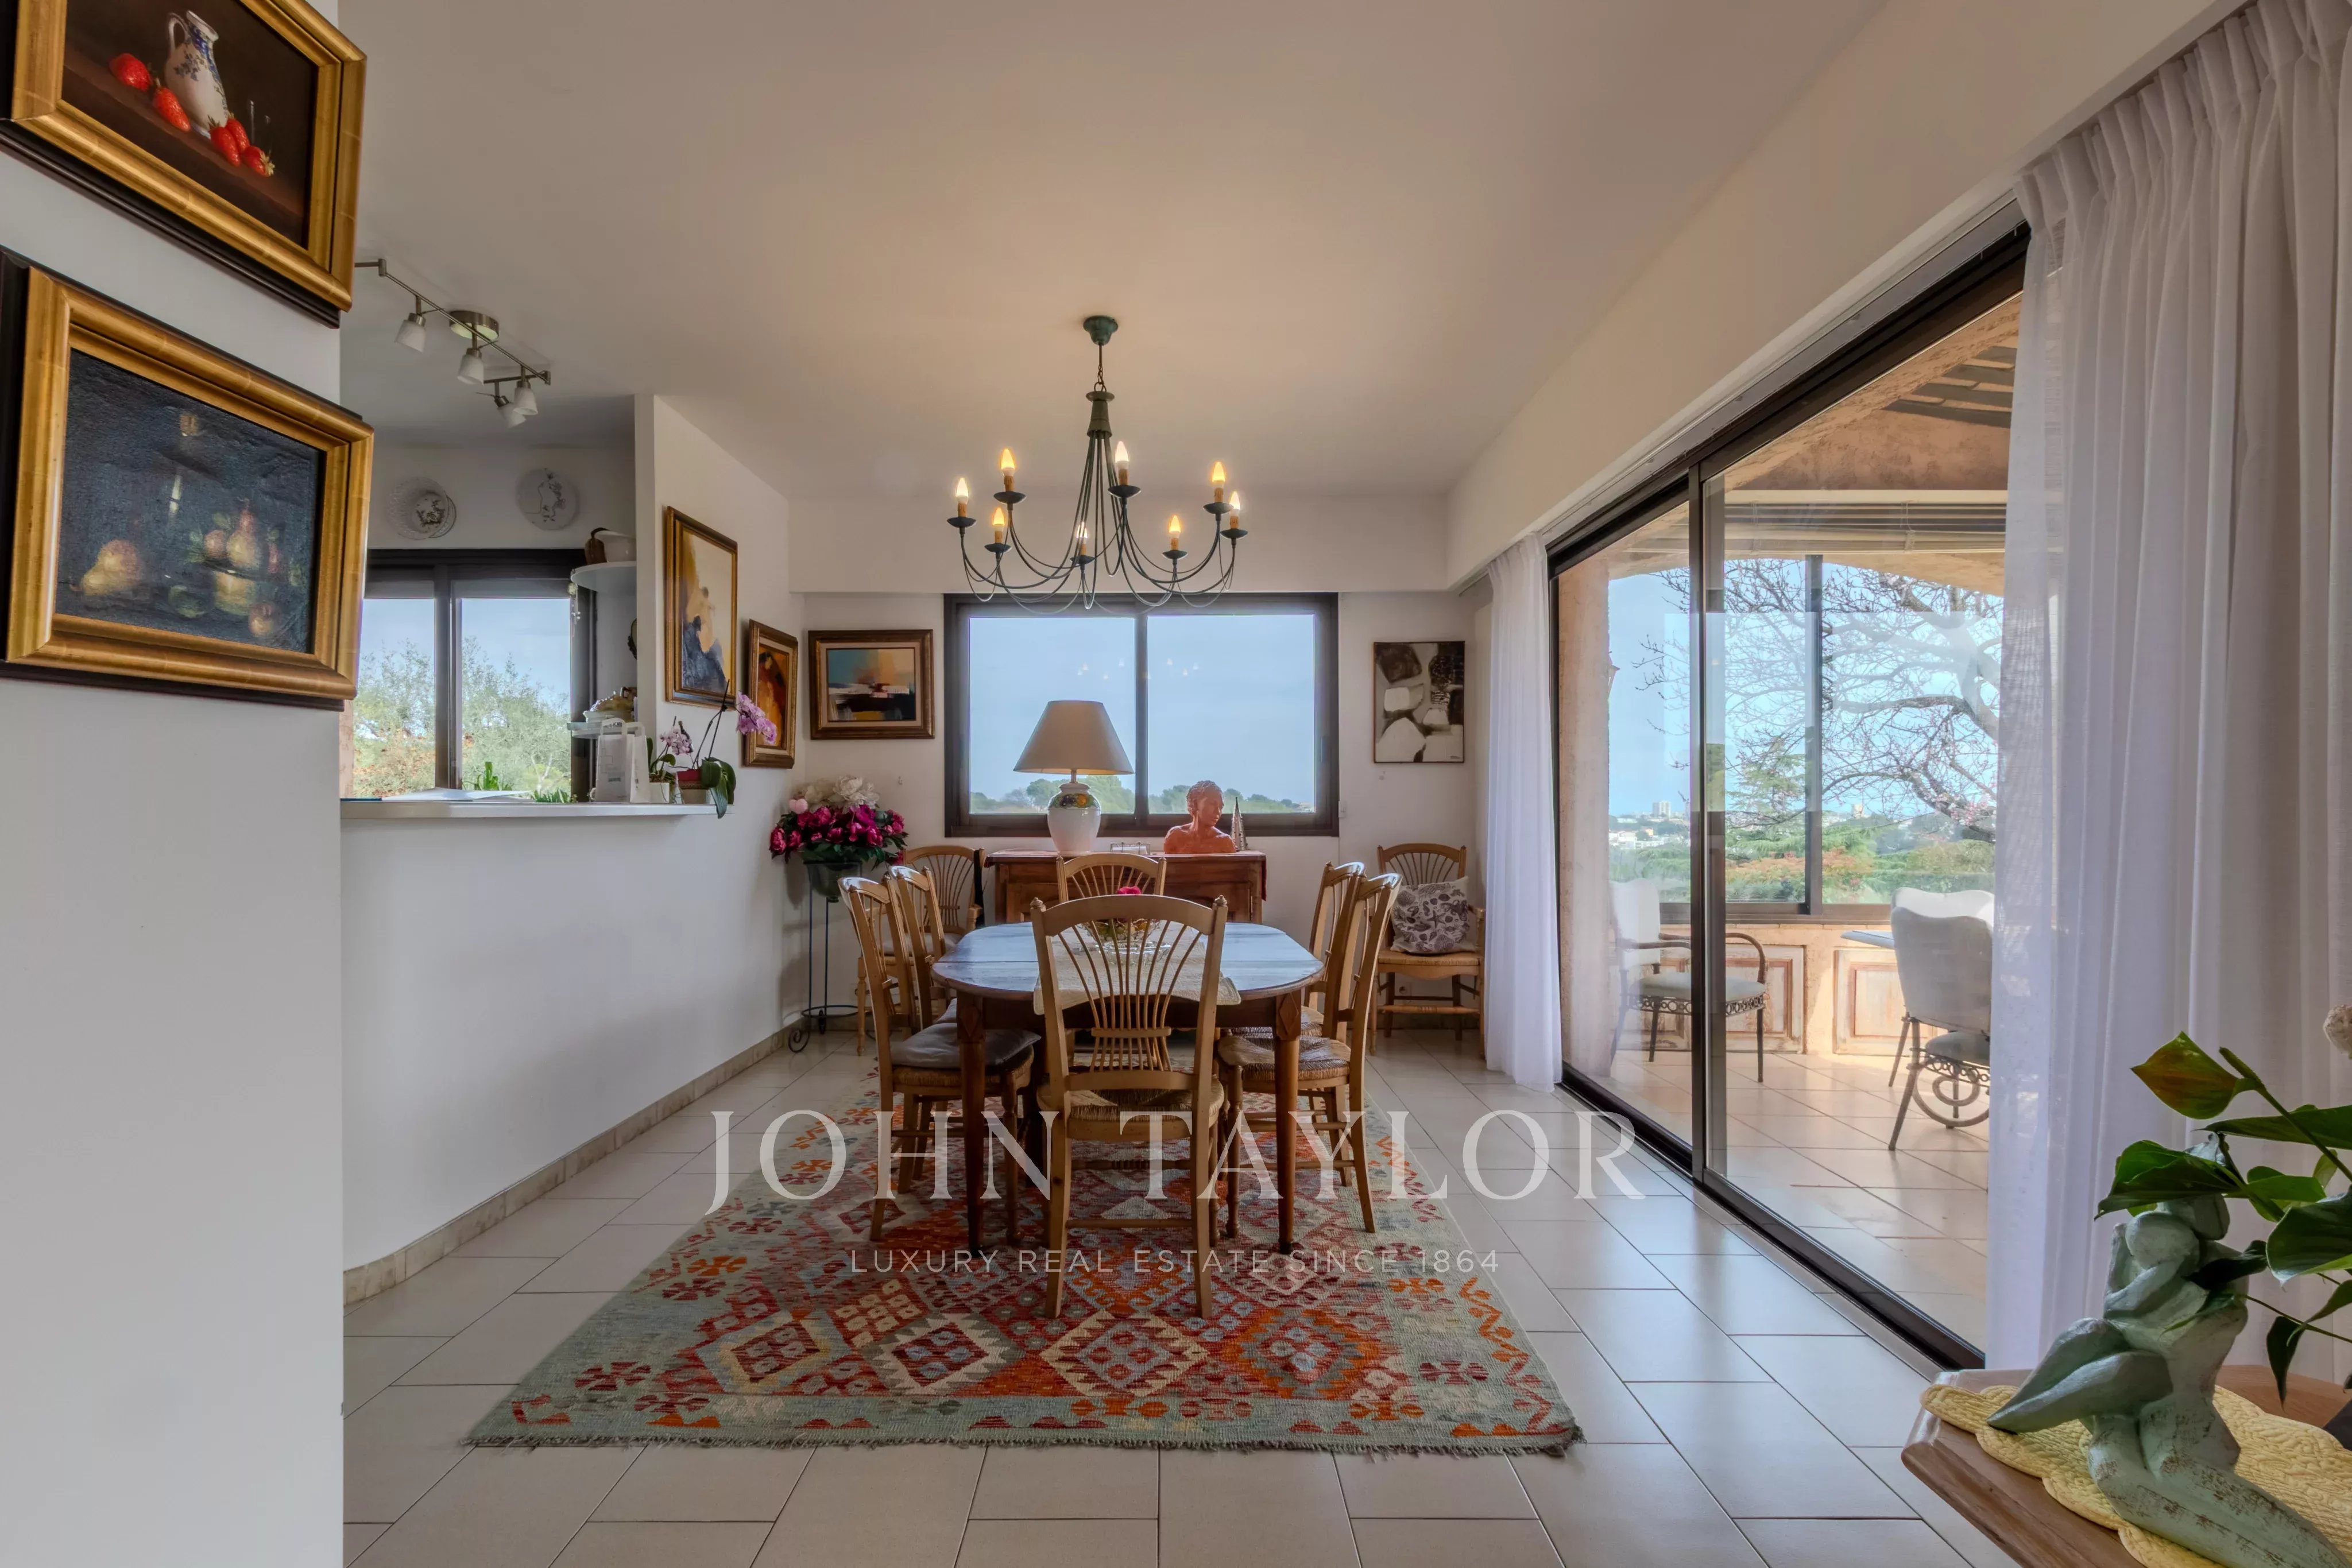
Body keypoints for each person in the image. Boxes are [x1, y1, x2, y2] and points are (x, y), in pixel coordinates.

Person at [1160, 779, 1235, 854]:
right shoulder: (1175, 836)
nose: (1218, 812)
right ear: (1195, 804)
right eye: (1213, 804)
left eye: (1221, 807)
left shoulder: (1225, 842)